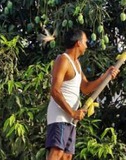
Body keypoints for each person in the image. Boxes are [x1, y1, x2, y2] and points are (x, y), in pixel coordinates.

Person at [46, 29, 119, 160]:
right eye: (85, 42)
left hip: (71, 117)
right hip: (60, 116)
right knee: (57, 153)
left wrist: (106, 76)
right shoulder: (63, 60)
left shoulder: (77, 64)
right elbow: (55, 91)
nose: (87, 45)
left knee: (67, 156)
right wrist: (72, 113)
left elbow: (86, 88)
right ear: (78, 43)